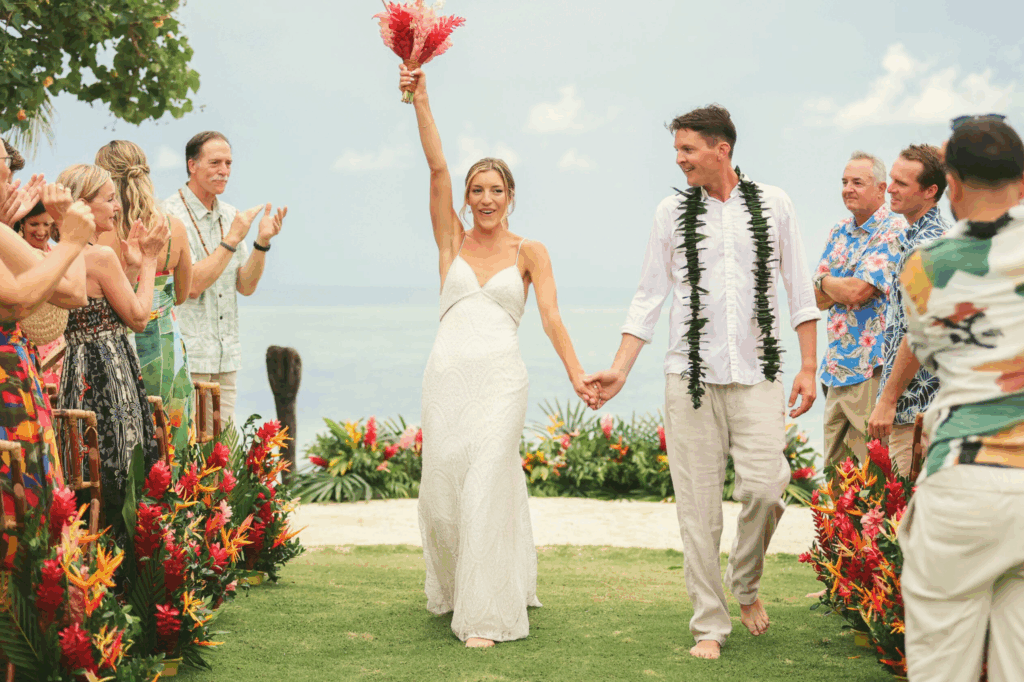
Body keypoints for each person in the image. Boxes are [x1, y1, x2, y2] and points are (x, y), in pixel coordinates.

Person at [584, 105, 820, 660]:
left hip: (759, 376)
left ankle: (745, 583)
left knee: (766, 487)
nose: (679, 159)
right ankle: (709, 625)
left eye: (688, 150)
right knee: (697, 508)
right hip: (688, 375)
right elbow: (649, 295)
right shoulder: (670, 212)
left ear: (722, 149)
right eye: (677, 151)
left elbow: (800, 292)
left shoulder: (776, 204)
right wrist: (620, 368)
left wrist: (808, 367)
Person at [400, 63, 597, 648]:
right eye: (477, 190)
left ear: (511, 197)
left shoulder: (530, 250)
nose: (486, 199)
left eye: (496, 190)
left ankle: (486, 614)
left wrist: (579, 374)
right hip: (447, 376)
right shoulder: (450, 241)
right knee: (441, 489)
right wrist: (421, 97)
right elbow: (435, 165)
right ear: (467, 197)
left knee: (488, 479)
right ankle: (458, 584)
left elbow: (552, 319)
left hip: (501, 380)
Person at [897, 115, 1024, 682]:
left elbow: (930, 352)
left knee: (941, 668)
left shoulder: (925, 266)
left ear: (952, 182)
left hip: (965, 479)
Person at [54, 164, 167, 541]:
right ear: (83, 206)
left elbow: (108, 308)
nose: (117, 206)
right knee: (123, 460)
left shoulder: (59, 254)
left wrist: (133, 268)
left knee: (86, 465)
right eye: (109, 199)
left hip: (77, 368)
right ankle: (128, 563)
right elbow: (136, 317)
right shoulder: (99, 256)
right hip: (111, 369)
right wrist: (150, 261)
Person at [0, 142, 94, 562]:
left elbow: (71, 294)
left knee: (24, 486)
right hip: (7, 378)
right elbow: (19, 300)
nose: (13, 178)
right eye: (6, 166)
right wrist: (69, 239)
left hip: (16, 375)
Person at [163, 131, 287, 427]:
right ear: (192, 165)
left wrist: (261, 242)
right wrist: (232, 237)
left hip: (226, 357)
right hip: (187, 359)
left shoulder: (231, 215)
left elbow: (245, 286)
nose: (224, 171)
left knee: (223, 454)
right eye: (215, 162)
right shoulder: (169, 214)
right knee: (188, 456)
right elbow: (191, 286)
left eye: (229, 163)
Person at [96, 140, 195, 459]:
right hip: (167, 349)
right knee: (172, 443)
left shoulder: (102, 234)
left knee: (127, 445)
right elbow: (180, 294)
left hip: (119, 350)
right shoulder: (175, 228)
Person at [813, 152, 904, 467]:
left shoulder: (893, 230)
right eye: (844, 182)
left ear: (880, 189)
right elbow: (815, 298)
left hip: (871, 371)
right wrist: (831, 285)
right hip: (836, 368)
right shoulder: (839, 230)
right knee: (836, 474)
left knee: (873, 474)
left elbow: (857, 292)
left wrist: (825, 280)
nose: (847, 189)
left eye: (857, 182)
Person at [865, 145, 951, 476]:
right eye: (892, 179)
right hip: (919, 405)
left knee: (907, 517)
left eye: (902, 183)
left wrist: (887, 401)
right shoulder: (920, 236)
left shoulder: (924, 246)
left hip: (918, 409)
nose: (890, 188)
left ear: (931, 191)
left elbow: (917, 331)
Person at [13, 202, 68, 386]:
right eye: (34, 224)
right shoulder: (14, 256)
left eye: (47, 224)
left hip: (59, 340)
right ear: (22, 223)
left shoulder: (58, 253)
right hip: (25, 339)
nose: (41, 231)